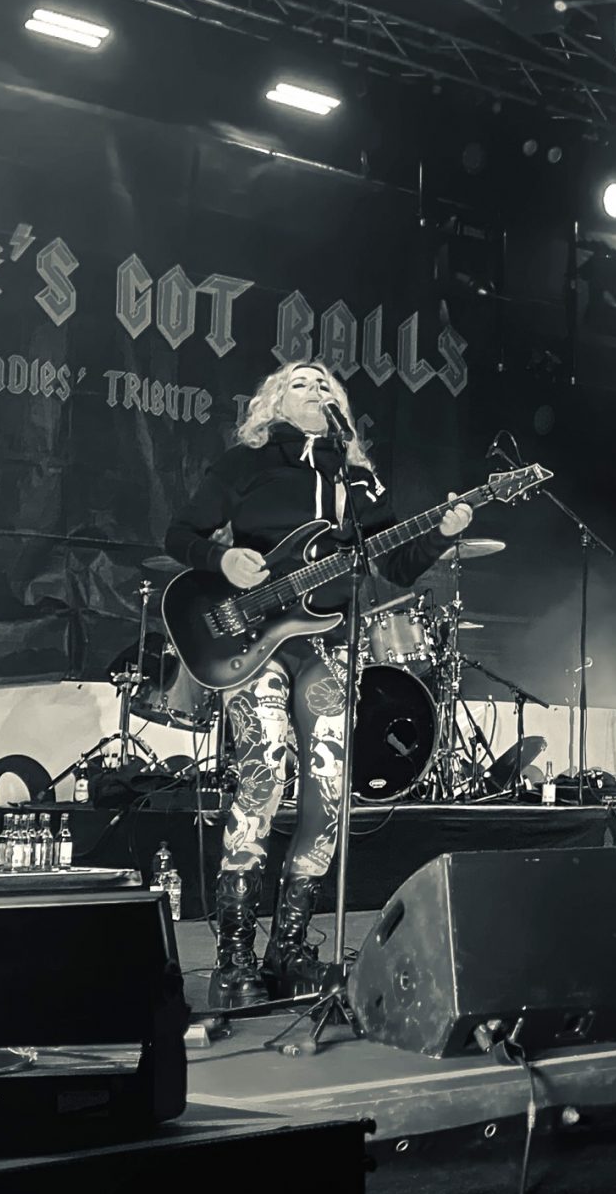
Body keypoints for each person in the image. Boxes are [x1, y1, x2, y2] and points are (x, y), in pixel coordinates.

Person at [165, 360, 470, 1007]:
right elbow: (179, 533)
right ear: (274, 400)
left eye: (325, 383)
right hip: (253, 642)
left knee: (328, 791)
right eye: (300, 382)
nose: (315, 389)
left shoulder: (356, 477)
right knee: (263, 772)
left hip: (327, 644)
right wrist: (220, 557)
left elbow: (394, 562)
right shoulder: (246, 463)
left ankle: (291, 945)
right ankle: (235, 955)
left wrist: (439, 537)